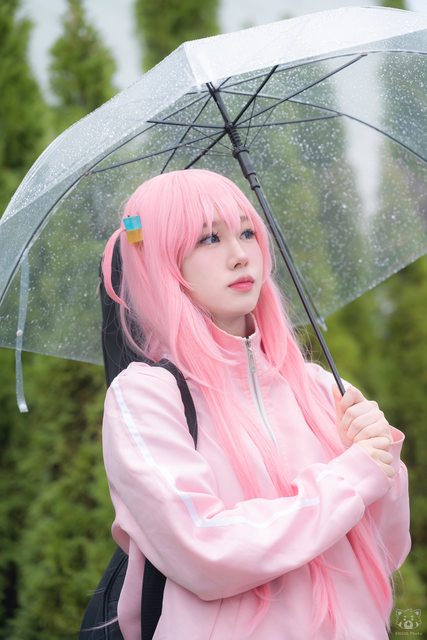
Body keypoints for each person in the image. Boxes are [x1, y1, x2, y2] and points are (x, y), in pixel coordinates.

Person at [101, 168, 410, 640]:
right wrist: (352, 477)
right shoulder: (146, 397)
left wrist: (383, 461)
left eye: (247, 233)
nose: (240, 255)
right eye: (209, 238)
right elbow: (203, 550)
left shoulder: (318, 386)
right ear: (163, 262)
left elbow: (386, 550)